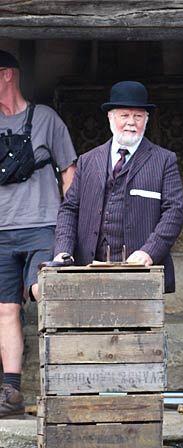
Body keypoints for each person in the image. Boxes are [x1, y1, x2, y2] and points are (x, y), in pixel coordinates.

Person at [0, 50, 77, 418]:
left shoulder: (45, 118)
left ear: (8, 75)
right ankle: (11, 390)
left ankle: (63, 383)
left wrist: (68, 220)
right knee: (5, 310)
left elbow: (69, 171)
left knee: (43, 291)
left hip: (42, 225)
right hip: (1, 231)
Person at [54, 80, 183, 294]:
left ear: (146, 120)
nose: (131, 122)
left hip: (141, 274)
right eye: (124, 115)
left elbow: (174, 212)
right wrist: (63, 251)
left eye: (138, 116)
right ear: (111, 117)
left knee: (139, 327)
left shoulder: (164, 160)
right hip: (87, 271)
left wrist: (148, 252)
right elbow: (69, 209)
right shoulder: (87, 161)